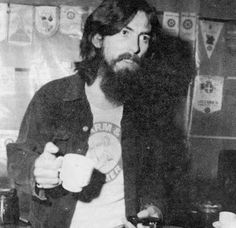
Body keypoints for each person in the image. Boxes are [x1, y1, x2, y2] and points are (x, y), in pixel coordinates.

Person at [7, 0, 195, 227]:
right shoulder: (53, 97)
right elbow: (18, 157)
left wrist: (156, 209)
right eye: (125, 32)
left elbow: (160, 178)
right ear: (98, 39)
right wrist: (37, 171)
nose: (136, 48)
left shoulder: (148, 109)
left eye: (144, 37)